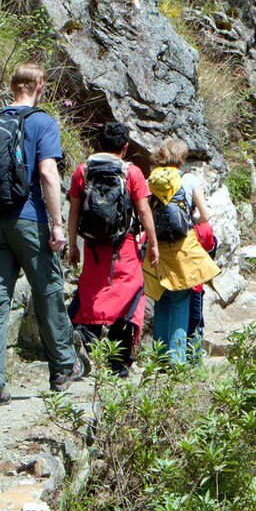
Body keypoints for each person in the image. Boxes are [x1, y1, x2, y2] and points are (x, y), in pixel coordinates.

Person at [0, 63, 81, 410]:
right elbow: (47, 173)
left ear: (13, 86)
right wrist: (57, 225)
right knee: (47, 293)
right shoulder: (42, 122)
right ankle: (62, 368)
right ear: (40, 86)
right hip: (30, 221)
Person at [67, 123, 160, 377]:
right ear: (125, 146)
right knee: (129, 299)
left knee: (91, 295)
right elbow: (143, 211)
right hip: (125, 247)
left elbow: (74, 211)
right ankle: (119, 365)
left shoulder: (82, 171)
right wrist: (153, 244)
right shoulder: (132, 173)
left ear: (98, 145)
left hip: (93, 248)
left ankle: (83, 343)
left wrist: (72, 243)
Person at [144, 138, 220, 365]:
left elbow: (144, 215)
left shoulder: (151, 181)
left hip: (156, 247)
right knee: (180, 302)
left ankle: (159, 359)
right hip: (182, 247)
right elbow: (205, 216)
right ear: (182, 158)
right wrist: (191, 219)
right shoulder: (189, 180)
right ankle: (176, 361)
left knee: (161, 301)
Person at [179, 166, 216, 355]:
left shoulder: (170, 222)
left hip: (171, 279)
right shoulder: (203, 227)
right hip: (195, 284)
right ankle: (194, 358)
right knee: (195, 323)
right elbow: (210, 249)